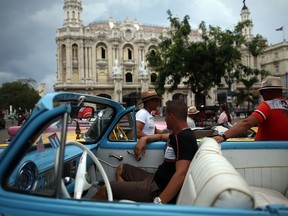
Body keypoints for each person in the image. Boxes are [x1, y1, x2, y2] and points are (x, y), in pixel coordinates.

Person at [93, 100, 199, 204]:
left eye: (166, 116)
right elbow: (161, 136)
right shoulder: (177, 134)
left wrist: (159, 202)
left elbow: (181, 174)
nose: (165, 119)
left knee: (105, 189)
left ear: (171, 117)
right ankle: (127, 204)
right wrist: (145, 139)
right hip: (155, 178)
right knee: (122, 169)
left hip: (157, 188)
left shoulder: (184, 138)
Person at [214, 76, 288, 142]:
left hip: (265, 150)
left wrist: (223, 136)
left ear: (268, 92)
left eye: (262, 92)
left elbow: (247, 123)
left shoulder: (267, 105)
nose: (262, 96)